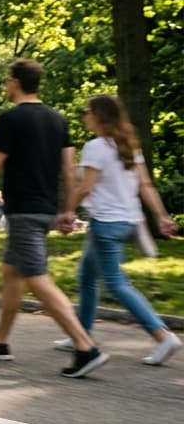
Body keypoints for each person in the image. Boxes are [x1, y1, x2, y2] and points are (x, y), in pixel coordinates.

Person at [0, 58, 108, 378]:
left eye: (7, 80)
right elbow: (69, 170)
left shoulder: (11, 119)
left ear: (15, 82)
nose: (5, 85)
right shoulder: (57, 120)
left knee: (37, 279)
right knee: (11, 273)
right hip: (46, 209)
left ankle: (85, 347)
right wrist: (67, 210)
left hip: (24, 212)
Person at [58, 95, 180, 365]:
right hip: (128, 222)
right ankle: (82, 334)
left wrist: (66, 212)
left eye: (87, 111)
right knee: (87, 276)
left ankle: (162, 336)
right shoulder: (128, 146)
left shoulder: (95, 147)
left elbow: (86, 187)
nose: (84, 115)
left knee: (117, 284)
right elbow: (145, 186)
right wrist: (161, 215)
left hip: (106, 224)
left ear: (98, 115)